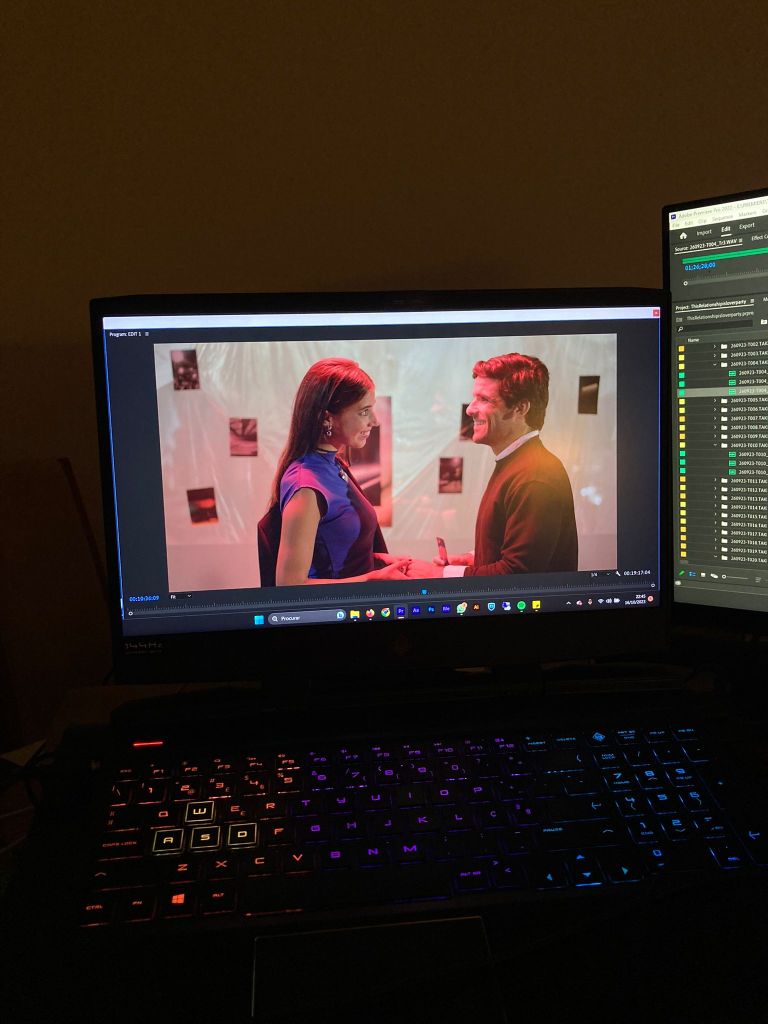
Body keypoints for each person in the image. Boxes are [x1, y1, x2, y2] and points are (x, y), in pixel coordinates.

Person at [407, 352, 578, 578]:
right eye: (474, 398)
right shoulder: (519, 463)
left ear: (520, 409)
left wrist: (440, 574)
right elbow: (516, 552)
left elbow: (517, 573)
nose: (470, 409)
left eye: (484, 399)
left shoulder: (535, 477)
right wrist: (471, 560)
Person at [263, 357, 410, 585]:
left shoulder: (333, 465)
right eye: (364, 412)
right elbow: (289, 584)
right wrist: (372, 580)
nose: (375, 421)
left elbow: (339, 544)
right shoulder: (306, 487)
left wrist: (379, 561)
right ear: (326, 418)